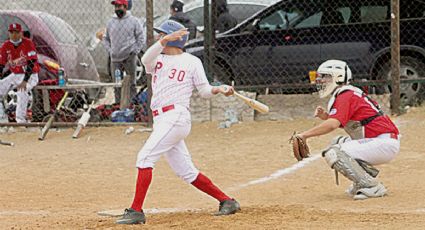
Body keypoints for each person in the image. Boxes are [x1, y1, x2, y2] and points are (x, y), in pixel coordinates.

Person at [116, 20, 240, 225]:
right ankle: (227, 201)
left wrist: (219, 89)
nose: (158, 37)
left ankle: (136, 211)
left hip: (176, 116)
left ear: (177, 38)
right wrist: (164, 40)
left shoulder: (192, 62)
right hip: (163, 119)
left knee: (145, 158)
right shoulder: (157, 59)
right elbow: (146, 58)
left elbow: (204, 91)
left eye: (163, 35)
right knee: (186, 171)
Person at [297, 60, 400, 200]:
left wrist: (304, 135)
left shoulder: (345, 95)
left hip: (383, 143)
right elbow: (352, 122)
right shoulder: (347, 93)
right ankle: (363, 180)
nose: (321, 80)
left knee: (334, 152)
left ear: (338, 77)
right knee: (337, 141)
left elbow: (333, 124)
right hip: (382, 141)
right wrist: (326, 117)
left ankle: (370, 186)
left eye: (325, 76)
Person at [103, 0, 144, 109]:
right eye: (116, 6)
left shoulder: (134, 21)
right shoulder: (110, 22)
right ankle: (118, 106)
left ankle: (134, 106)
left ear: (125, 7)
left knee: (132, 83)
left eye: (119, 6)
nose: (117, 9)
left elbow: (140, 37)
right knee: (117, 84)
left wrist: (135, 51)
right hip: (115, 59)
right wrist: (110, 51)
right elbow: (105, 39)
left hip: (129, 57)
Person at [0, 23, 39, 123]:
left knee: (22, 90)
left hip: (30, 75)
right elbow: (1, 64)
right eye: (11, 32)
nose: (14, 35)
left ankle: (20, 121)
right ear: (9, 33)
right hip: (15, 75)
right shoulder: (6, 45)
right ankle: (2, 119)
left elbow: (31, 63)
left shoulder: (28, 43)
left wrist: (25, 81)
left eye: (16, 32)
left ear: (21, 33)